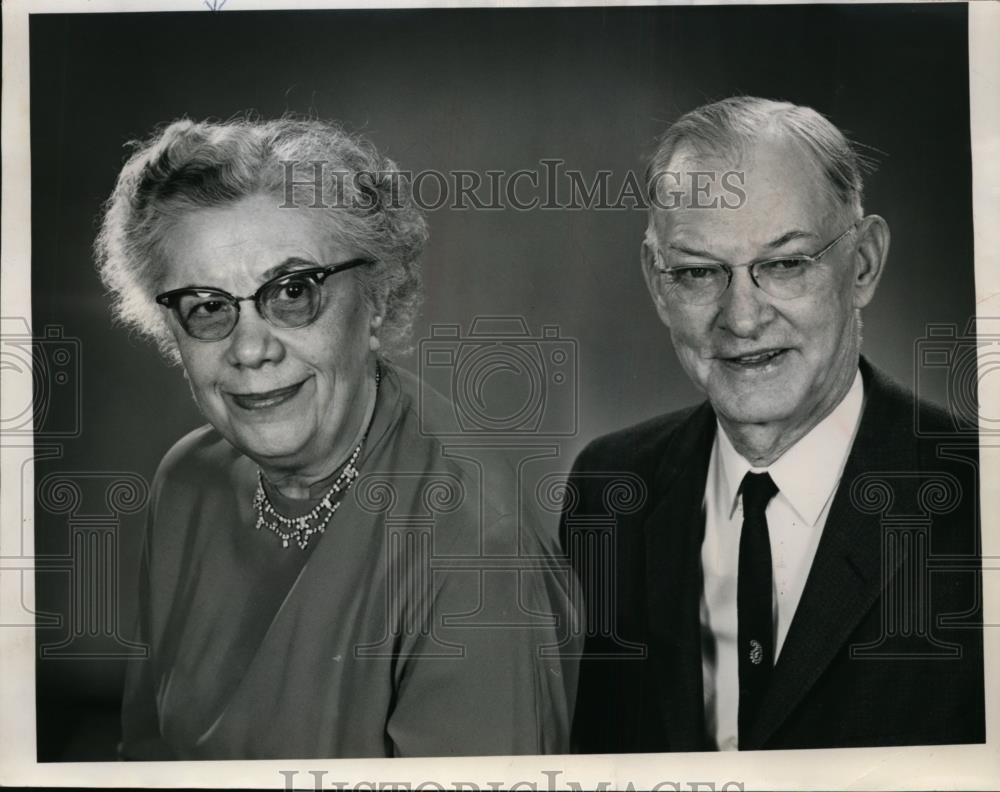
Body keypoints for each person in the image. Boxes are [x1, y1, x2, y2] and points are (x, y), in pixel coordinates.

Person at [97, 116, 577, 759]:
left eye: (293, 292)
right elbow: (145, 755)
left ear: (377, 299)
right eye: (209, 306)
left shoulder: (477, 554)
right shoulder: (188, 481)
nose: (250, 349)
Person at [563, 96, 983, 752]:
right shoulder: (610, 488)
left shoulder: (979, 497)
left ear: (863, 264)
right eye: (700, 273)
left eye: (785, 264)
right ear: (656, 279)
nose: (742, 318)